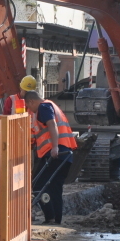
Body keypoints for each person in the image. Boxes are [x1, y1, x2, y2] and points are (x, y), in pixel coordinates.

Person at [25, 90, 78, 225]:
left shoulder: (43, 107)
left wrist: (55, 147)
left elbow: (52, 124)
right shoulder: (51, 105)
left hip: (55, 153)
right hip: (65, 154)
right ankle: (56, 219)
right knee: (55, 187)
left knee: (38, 185)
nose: (29, 109)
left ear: (31, 101)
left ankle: (50, 217)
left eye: (28, 106)